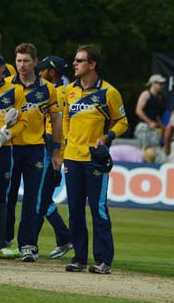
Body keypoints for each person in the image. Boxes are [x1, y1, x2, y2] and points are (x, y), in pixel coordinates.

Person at [63, 45, 128, 274]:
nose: (74, 64)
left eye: (79, 60)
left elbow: (122, 121)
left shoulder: (108, 92)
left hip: (94, 159)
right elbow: (65, 119)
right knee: (74, 210)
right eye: (75, 60)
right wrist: (65, 145)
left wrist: (107, 136)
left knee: (98, 208)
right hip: (72, 157)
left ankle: (103, 260)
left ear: (92, 64)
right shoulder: (69, 91)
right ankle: (79, 258)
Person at [3, 43, 62, 262]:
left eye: (26, 61)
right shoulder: (7, 84)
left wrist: (57, 151)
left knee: (31, 198)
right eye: (18, 61)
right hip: (9, 148)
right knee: (6, 196)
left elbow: (56, 120)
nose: (22, 65)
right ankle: (3, 240)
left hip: (35, 149)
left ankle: (28, 244)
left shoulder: (47, 88)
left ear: (35, 62)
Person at [0, 52, 27, 263]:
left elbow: (22, 121)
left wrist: (6, 135)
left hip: (2, 150)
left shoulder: (15, 90)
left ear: (2, 68)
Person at [35, 55, 73, 259]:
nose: (39, 72)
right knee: (43, 198)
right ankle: (64, 237)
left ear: (51, 72)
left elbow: (56, 124)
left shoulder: (57, 93)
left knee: (41, 198)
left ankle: (32, 242)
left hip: (51, 149)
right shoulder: (59, 90)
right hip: (53, 149)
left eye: (42, 70)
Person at [135, 74, 166, 148]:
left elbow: (156, 114)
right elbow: (138, 110)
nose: (162, 86)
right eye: (160, 83)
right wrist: (150, 122)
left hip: (155, 129)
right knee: (145, 151)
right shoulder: (146, 94)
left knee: (155, 152)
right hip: (144, 127)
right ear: (153, 83)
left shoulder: (160, 98)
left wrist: (162, 127)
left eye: (163, 84)